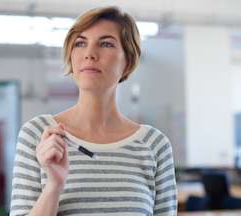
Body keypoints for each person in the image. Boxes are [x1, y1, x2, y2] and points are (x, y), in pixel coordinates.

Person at [10, 6, 177, 216]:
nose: (89, 54)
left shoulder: (154, 145)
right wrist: (54, 185)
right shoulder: (38, 135)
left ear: (128, 61)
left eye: (106, 43)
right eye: (80, 43)